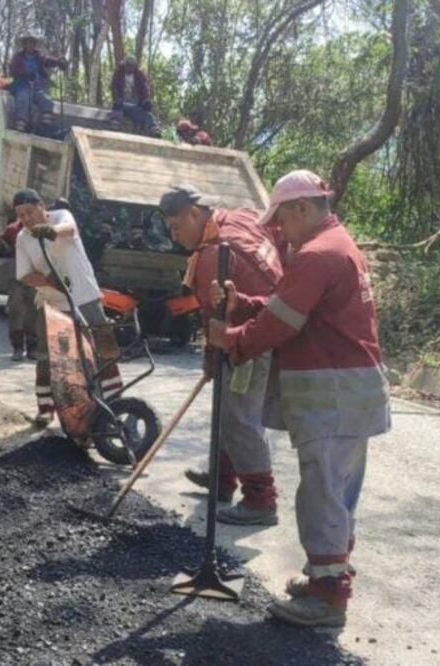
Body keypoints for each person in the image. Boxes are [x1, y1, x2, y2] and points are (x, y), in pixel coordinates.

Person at [206, 170, 391, 628]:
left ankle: (328, 599)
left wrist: (231, 339)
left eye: (282, 220)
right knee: (338, 492)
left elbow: (282, 324)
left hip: (334, 393)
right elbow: (296, 310)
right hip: (352, 390)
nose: (278, 230)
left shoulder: (317, 255)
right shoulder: (336, 246)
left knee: (323, 495)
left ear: (303, 209)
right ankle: (326, 578)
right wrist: (244, 304)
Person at [160, 184, 284, 526]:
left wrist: (210, 355)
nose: (173, 237)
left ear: (195, 213)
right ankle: (222, 479)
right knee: (226, 409)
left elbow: (211, 314)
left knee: (240, 418)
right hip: (265, 324)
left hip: (251, 339)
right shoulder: (242, 216)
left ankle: (261, 499)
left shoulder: (215, 256)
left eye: (176, 227)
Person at [13, 189, 123, 426]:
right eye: (21, 215)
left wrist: (50, 231)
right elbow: (24, 274)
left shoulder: (61, 216)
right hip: (53, 303)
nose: (27, 219)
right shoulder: (23, 238)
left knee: (105, 350)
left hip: (86, 295)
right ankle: (45, 409)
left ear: (42, 206)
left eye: (30, 212)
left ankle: (116, 404)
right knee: (49, 357)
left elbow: (70, 230)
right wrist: (47, 281)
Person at [8, 35, 68, 132]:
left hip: (36, 86)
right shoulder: (18, 57)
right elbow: (13, 70)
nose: (30, 45)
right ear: (24, 44)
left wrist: (58, 62)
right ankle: (20, 127)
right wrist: (25, 73)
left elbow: (47, 61)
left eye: (32, 43)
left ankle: (45, 127)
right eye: (28, 42)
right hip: (22, 85)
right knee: (23, 100)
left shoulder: (38, 56)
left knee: (47, 101)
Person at [1, 219, 38, 361]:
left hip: (36, 276)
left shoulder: (42, 229)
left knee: (33, 312)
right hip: (18, 276)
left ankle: (32, 347)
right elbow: (4, 249)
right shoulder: (12, 229)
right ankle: (17, 347)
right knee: (16, 310)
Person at [111, 56, 158, 136]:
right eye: (127, 65)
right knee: (117, 109)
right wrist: (117, 98)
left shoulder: (139, 75)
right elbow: (114, 87)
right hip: (122, 103)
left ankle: (153, 128)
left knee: (147, 114)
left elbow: (145, 89)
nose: (129, 68)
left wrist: (145, 101)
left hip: (135, 105)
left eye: (131, 66)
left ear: (134, 66)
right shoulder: (119, 73)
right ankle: (115, 123)